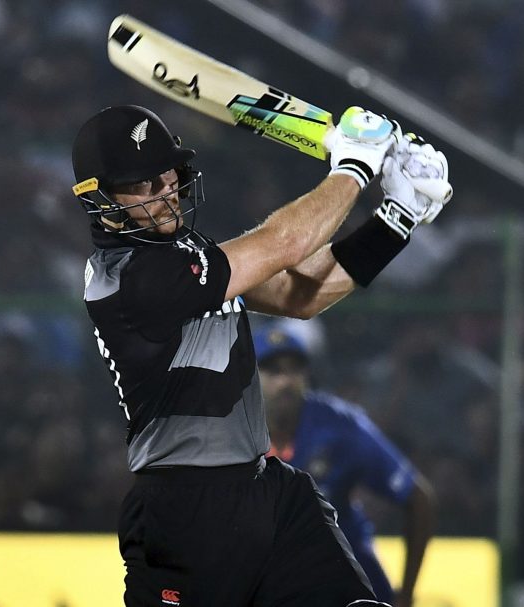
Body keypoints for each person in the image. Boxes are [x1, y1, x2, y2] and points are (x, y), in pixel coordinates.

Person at [71, 103, 451, 607]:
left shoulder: (186, 255)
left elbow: (300, 294)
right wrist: (355, 166)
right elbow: (284, 242)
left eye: (168, 176)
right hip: (184, 512)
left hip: (269, 491)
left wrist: (398, 216)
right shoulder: (129, 280)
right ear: (100, 198)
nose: (166, 193)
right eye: (143, 184)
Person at [253, 323, 436, 607]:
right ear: (249, 377)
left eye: (295, 369)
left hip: (350, 587)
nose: (286, 381)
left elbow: (418, 498)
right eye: (273, 371)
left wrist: (406, 594)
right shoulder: (229, 432)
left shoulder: (339, 425)